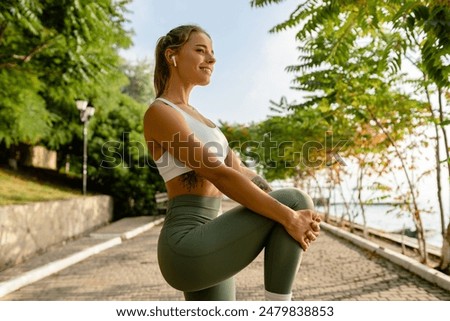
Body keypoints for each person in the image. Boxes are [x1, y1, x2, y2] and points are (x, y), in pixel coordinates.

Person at [143, 25, 321, 301]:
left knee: (290, 204)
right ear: (172, 56)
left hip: (211, 236)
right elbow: (219, 174)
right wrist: (290, 216)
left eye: (212, 53)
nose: (211, 59)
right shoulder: (161, 112)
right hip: (186, 244)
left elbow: (241, 173)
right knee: (296, 200)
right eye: (200, 50)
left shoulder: (206, 122)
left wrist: (279, 204)